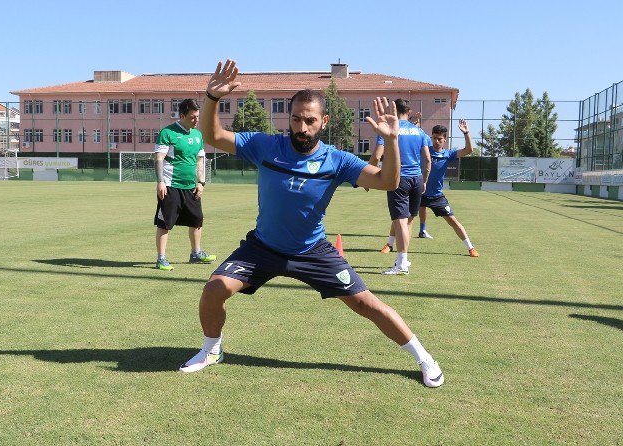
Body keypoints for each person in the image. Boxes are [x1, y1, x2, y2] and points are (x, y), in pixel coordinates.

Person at [179, 59, 444, 388]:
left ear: (323, 121)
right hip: (263, 247)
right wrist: (212, 98)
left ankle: (425, 359)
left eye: (309, 120)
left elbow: (388, 182)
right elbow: (213, 135)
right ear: (287, 118)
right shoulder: (266, 145)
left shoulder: (337, 159)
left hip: (312, 251)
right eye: (295, 119)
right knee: (213, 290)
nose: (301, 127)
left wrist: (390, 142)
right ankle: (211, 350)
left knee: (367, 304)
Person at [368, 100, 431, 275]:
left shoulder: (390, 129)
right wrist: (424, 180)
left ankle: (401, 264)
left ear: (393, 110)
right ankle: (403, 259)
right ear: (409, 111)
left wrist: (369, 178)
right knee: (408, 220)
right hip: (417, 179)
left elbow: (376, 156)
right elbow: (427, 159)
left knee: (400, 221)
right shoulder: (419, 131)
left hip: (398, 179)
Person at [154, 98, 217, 270]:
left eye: (198, 116)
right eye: (192, 117)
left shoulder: (198, 135)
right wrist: (160, 182)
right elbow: (159, 158)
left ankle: (196, 253)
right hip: (170, 186)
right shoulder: (167, 133)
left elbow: (200, 160)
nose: (196, 120)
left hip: (191, 187)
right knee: (165, 223)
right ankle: (161, 258)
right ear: (182, 115)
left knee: (197, 220)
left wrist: (201, 182)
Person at [417, 120, 479, 257]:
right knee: (404, 219)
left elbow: (469, 150)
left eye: (440, 139)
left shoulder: (448, 154)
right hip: (419, 192)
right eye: (434, 138)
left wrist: (466, 133)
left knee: (452, 220)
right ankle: (390, 244)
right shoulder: (424, 150)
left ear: (445, 139)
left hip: (437, 196)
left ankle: (470, 247)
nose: (436, 141)